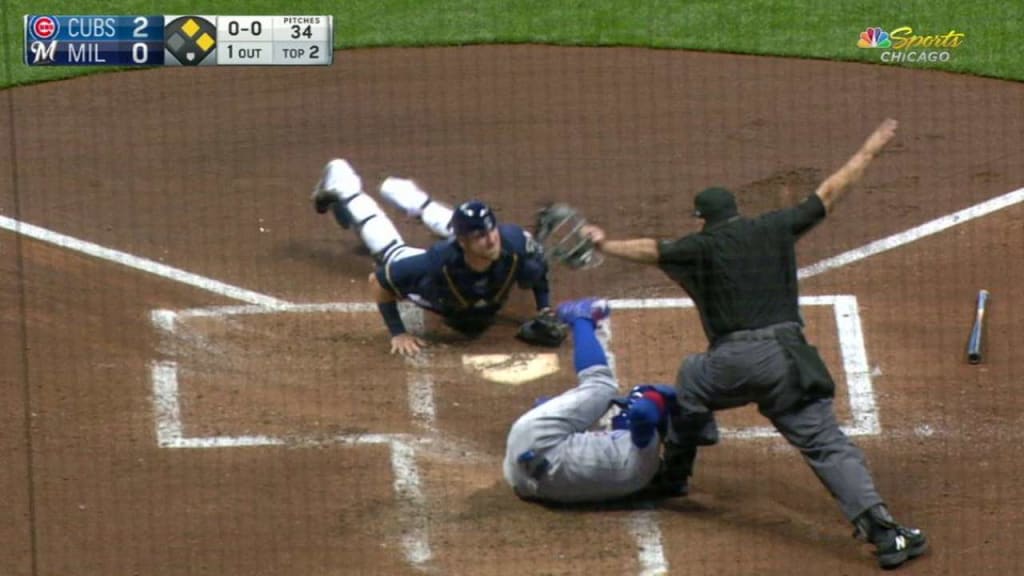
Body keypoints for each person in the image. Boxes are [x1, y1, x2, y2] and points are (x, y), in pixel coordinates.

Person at [581, 119, 927, 569]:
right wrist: (869, 151)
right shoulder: (774, 227)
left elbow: (653, 249)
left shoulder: (699, 246)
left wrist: (605, 244)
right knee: (826, 444)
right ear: (736, 211)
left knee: (690, 377)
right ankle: (884, 534)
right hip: (787, 362)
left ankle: (675, 473)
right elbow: (828, 193)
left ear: (702, 220)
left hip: (729, 364)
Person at [311, 159, 562, 356]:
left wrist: (544, 309)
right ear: (461, 241)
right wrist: (398, 333)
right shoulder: (437, 262)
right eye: (479, 235)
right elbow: (378, 281)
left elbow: (537, 270)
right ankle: (345, 187)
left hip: (467, 264)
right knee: (390, 253)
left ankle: (417, 201)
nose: (491, 239)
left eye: (491, 230)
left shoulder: (513, 243)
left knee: (524, 263)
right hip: (440, 282)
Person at [504, 298, 680, 504]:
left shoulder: (645, 446)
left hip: (533, 443)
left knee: (601, 386)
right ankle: (552, 414)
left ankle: (581, 318)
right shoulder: (638, 477)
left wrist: (657, 395)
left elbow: (642, 413)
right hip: (529, 485)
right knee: (587, 428)